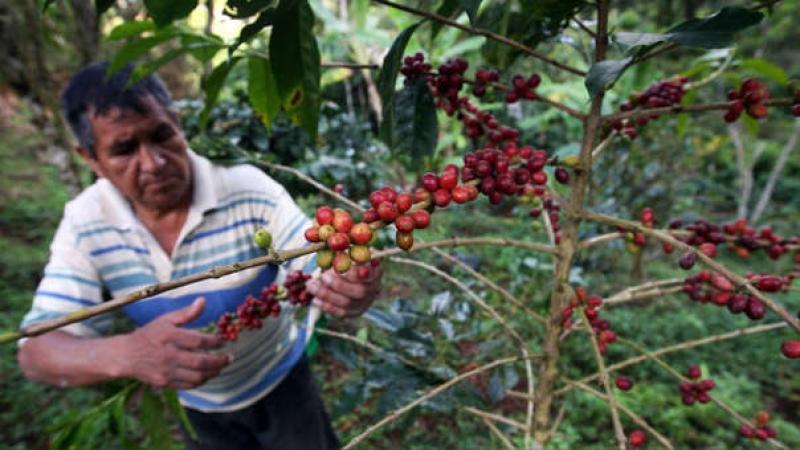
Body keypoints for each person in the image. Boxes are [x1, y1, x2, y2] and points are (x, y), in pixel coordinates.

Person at [16, 63, 382, 449]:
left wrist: (345, 280)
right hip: (197, 409)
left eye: (162, 135)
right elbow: (37, 350)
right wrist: (125, 353)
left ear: (177, 122)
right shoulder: (85, 224)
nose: (154, 162)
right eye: (124, 149)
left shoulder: (246, 188)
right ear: (90, 159)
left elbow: (310, 256)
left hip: (281, 380)